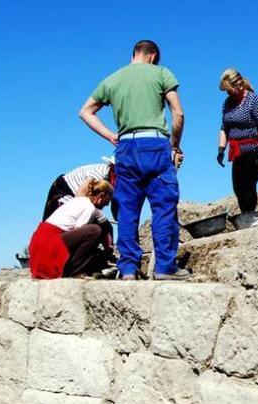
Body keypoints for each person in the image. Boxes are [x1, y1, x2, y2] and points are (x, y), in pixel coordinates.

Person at [78, 40, 189, 280]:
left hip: (126, 147)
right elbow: (178, 113)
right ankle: (165, 268)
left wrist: (110, 135)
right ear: (152, 56)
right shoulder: (160, 73)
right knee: (164, 206)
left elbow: (85, 111)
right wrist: (175, 145)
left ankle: (128, 268)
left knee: (127, 209)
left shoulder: (113, 79)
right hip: (156, 145)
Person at [29, 180, 114, 279]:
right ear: (102, 196)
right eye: (108, 200)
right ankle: (76, 271)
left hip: (40, 243)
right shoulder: (88, 208)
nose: (107, 205)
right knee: (94, 231)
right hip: (50, 245)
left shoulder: (78, 200)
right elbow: (80, 232)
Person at [216, 68, 258, 213]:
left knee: (248, 183)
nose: (229, 94)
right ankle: (245, 214)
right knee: (238, 186)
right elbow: (224, 128)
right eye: (227, 92)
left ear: (239, 85)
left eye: (230, 90)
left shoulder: (254, 100)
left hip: (256, 148)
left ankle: (249, 215)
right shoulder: (228, 103)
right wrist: (221, 149)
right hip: (238, 151)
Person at [42, 157, 115, 220]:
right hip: (64, 191)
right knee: (60, 220)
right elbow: (81, 194)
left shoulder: (116, 181)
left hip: (79, 197)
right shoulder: (100, 173)